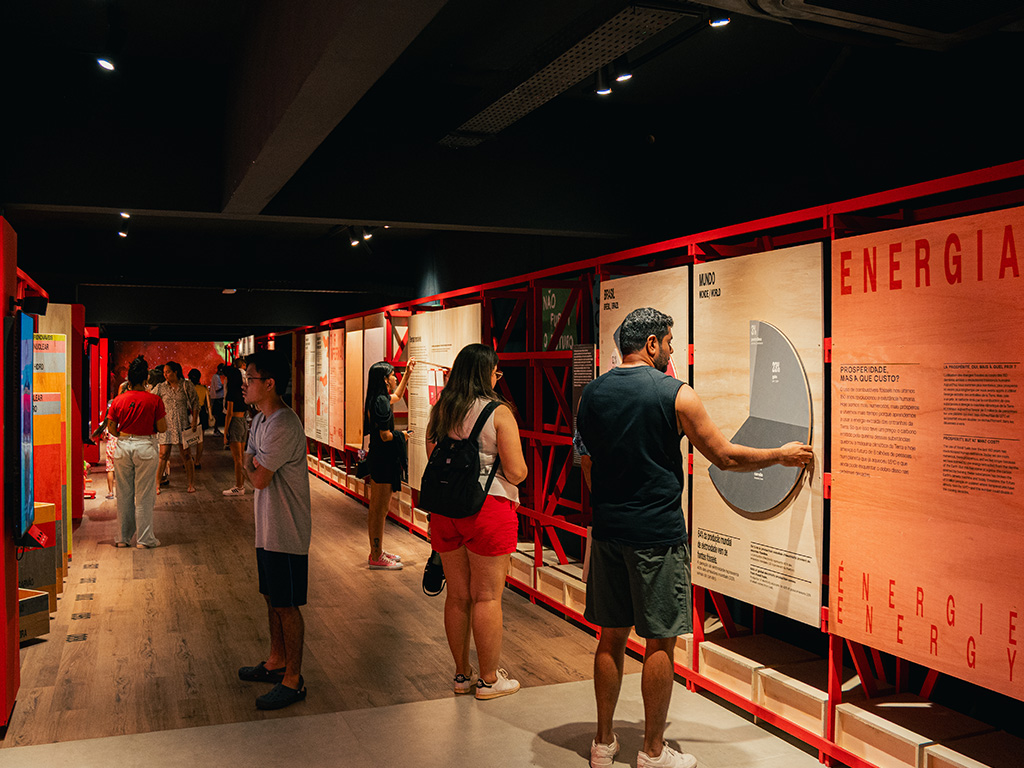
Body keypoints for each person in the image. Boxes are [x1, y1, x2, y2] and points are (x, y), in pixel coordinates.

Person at [577, 308, 812, 768]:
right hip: (657, 537)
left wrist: (612, 507)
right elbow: (724, 457)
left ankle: (603, 744)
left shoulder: (592, 394)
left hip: (607, 534)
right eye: (668, 342)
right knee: (660, 642)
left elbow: (588, 464)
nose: (672, 350)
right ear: (650, 344)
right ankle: (652, 751)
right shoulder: (676, 395)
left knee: (610, 637)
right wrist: (781, 455)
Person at [426, 343, 528, 700]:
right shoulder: (498, 412)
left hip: (445, 510)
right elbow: (516, 471)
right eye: (496, 371)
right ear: (486, 372)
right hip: (487, 509)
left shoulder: (442, 409)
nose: (498, 377)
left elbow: (432, 456)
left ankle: (461, 675)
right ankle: (488, 679)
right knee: (487, 597)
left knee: (457, 596)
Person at [236, 350, 312, 711]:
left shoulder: (284, 424)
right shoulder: (260, 421)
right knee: (271, 597)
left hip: (286, 530)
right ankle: (276, 660)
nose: (244, 385)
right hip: (267, 527)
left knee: (287, 604)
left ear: (269, 384)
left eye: (249, 378)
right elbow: (248, 461)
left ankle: (293, 679)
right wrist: (251, 464)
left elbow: (258, 478)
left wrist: (251, 465)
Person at [106, 356, 167, 548]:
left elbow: (111, 428)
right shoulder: (154, 400)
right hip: (146, 446)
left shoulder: (118, 400)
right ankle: (144, 539)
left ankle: (122, 538)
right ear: (146, 378)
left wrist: (125, 435)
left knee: (124, 494)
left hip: (123, 446)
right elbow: (162, 427)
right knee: (145, 495)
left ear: (129, 379)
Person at [363, 358, 416, 569]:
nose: (395, 378)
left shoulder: (378, 399)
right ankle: (376, 556)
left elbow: (399, 395)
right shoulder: (381, 402)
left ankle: (377, 551)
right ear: (385, 379)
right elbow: (385, 436)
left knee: (378, 508)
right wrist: (403, 435)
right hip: (383, 460)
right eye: (393, 375)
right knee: (379, 509)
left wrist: (408, 373)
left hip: (378, 457)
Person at [153, 361, 199, 494]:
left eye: (168, 372)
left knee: (186, 455)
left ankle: (191, 484)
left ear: (175, 372)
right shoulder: (161, 387)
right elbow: (151, 399)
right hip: (166, 426)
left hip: (183, 425)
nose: (165, 375)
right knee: (163, 454)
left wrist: (194, 421)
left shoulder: (186, 385)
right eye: (164, 373)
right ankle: (157, 484)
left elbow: (195, 403)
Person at [223, 357, 248, 496]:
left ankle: (239, 486)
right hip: (243, 422)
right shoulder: (243, 391)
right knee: (242, 457)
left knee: (237, 459)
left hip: (235, 423)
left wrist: (225, 433)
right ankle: (241, 484)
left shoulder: (231, 393)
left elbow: (229, 414)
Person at [188, 368, 210, 469]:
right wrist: (210, 415)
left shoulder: (187, 389)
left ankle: (188, 460)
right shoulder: (203, 388)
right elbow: (207, 404)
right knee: (200, 440)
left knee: (187, 439)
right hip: (202, 413)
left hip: (190, 413)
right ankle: (197, 461)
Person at [210, 363, 226, 436]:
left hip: (217, 398)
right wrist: (224, 385)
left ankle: (216, 430)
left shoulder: (216, 376)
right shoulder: (216, 377)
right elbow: (217, 388)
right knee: (217, 416)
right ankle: (216, 430)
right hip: (217, 398)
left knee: (217, 416)